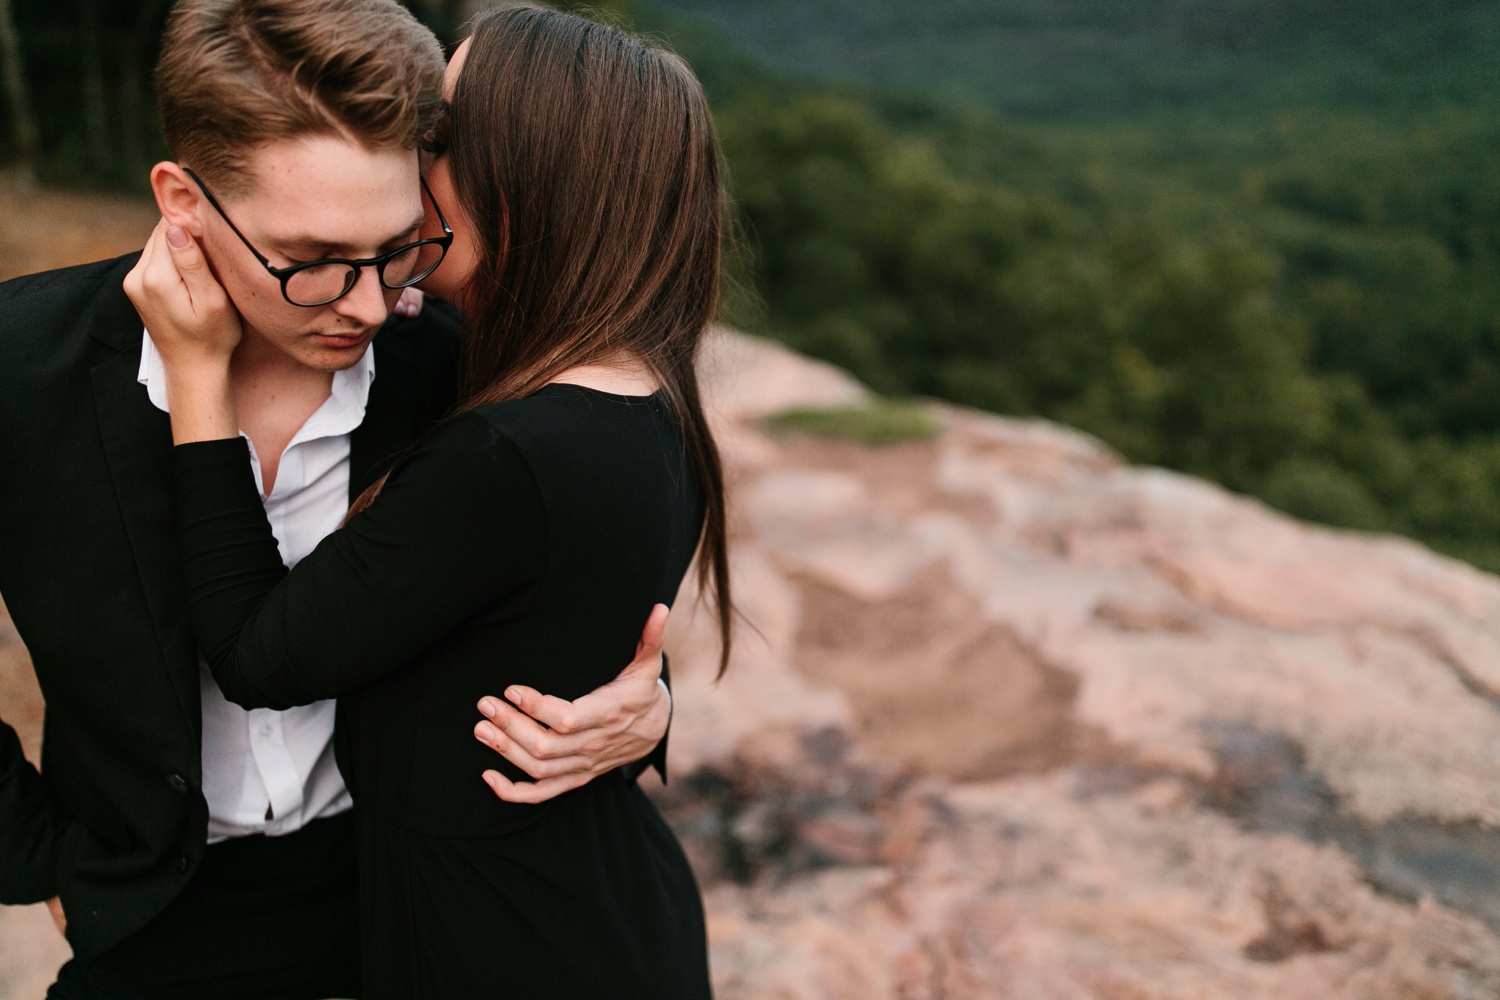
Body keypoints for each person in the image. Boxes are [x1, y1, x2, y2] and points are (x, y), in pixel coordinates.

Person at [0, 1, 673, 997]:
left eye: (397, 246)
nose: (368, 305)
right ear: (181, 200)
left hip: (414, 883)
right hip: (159, 906)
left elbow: (571, 565)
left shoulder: (456, 376)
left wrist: (649, 711)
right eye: (312, 260)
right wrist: (40, 853)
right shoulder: (23, 366)